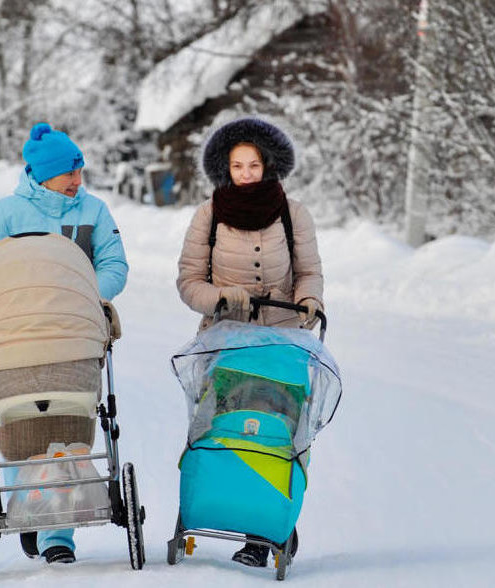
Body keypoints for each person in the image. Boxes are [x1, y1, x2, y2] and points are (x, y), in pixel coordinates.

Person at [0, 122, 128, 565]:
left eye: (80, 170)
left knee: (65, 429)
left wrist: (83, 298)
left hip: (72, 335)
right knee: (24, 428)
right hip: (18, 336)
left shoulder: (94, 211)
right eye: (69, 172)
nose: (78, 179)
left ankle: (58, 535)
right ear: (44, 173)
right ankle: (29, 507)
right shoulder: (8, 215)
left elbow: (114, 264)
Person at [176, 116, 323, 567]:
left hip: (282, 343)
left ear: (268, 166)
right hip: (227, 343)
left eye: (253, 165)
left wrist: (310, 300)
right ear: (225, 168)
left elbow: (309, 272)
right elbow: (188, 282)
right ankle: (225, 507)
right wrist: (221, 297)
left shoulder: (293, 214)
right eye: (237, 166)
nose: (245, 174)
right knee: (229, 431)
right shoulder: (209, 215)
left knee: (276, 436)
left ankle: (263, 535)